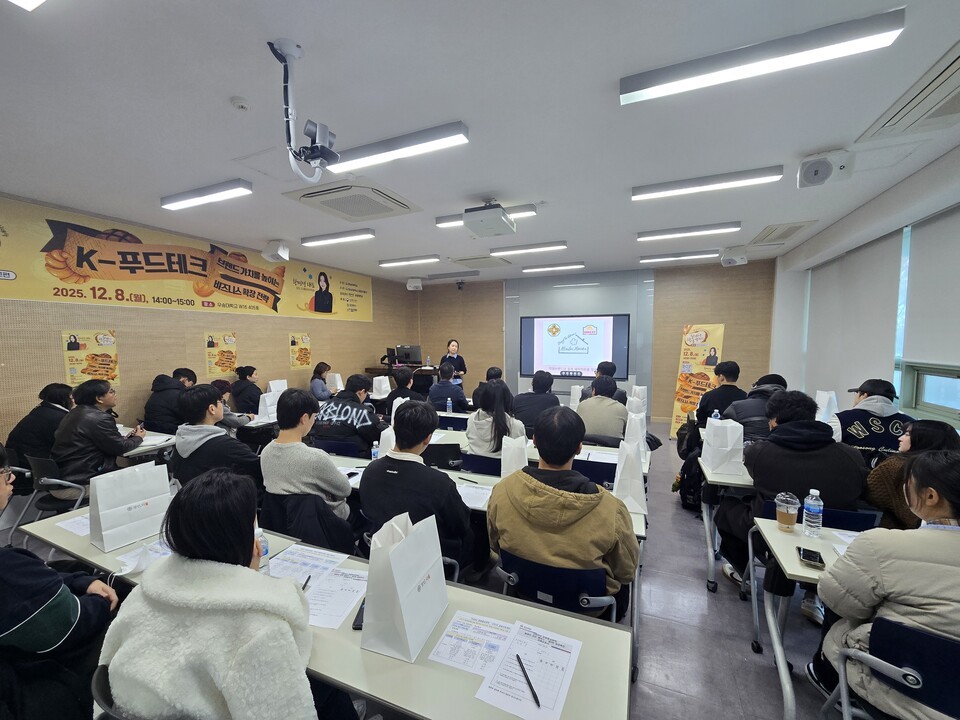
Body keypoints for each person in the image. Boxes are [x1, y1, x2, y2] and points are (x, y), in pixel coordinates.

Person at [98, 469, 358, 720]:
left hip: (127, 709)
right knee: (329, 689)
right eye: (253, 529)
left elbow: (108, 661)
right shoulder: (258, 625)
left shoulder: (143, 593)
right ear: (242, 540)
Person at [807, 450, 960, 720]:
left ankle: (825, 675)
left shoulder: (881, 545)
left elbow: (833, 598)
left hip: (897, 682)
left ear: (930, 496)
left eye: (908, 483)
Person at [713, 390, 866, 619]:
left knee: (726, 509)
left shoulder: (761, 452)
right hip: (832, 545)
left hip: (771, 534)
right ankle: (813, 595)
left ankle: (741, 570)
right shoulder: (851, 456)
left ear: (773, 421)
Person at [487, 406, 640, 620]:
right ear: (579, 447)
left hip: (523, 590)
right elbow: (626, 571)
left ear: (534, 441)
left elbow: (495, 545)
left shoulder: (502, 490)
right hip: (590, 608)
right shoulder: (611, 509)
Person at [0, 445, 118, 719]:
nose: (12, 479)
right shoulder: (9, 573)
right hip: (33, 687)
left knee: (72, 568)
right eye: (5, 474)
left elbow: (33, 577)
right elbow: (69, 622)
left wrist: (78, 581)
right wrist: (100, 601)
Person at [359, 401, 473, 567]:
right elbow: (460, 524)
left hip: (381, 555)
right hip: (429, 561)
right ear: (428, 438)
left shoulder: (370, 470)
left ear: (393, 428)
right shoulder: (439, 483)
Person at [260, 389, 352, 521]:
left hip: (281, 524)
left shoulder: (265, 452)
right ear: (304, 418)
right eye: (314, 417)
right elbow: (345, 490)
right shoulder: (315, 458)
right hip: (321, 523)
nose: (314, 421)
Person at [51, 380, 144, 497]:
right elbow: (120, 448)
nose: (115, 394)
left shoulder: (74, 413)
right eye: (111, 392)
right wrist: (139, 438)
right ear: (99, 399)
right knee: (143, 479)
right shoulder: (98, 418)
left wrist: (125, 438)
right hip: (82, 483)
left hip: (64, 479)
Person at [864, 419, 960, 530]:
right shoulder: (953, 468)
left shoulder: (896, 466)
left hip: (897, 532)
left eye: (907, 434)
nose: (900, 438)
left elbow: (869, 495)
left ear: (924, 439)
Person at [169, 384, 262, 487]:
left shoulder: (181, 440)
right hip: (225, 498)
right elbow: (260, 469)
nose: (223, 405)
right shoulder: (226, 445)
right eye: (220, 402)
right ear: (212, 409)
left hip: (192, 499)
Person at [829, 379, 914, 466]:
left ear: (864, 395)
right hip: (898, 478)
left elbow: (826, 451)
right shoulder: (913, 424)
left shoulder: (840, 419)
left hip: (851, 476)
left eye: (856, 393)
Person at [311, 374, 388, 456]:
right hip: (356, 457)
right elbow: (377, 435)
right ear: (361, 392)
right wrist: (383, 424)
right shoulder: (362, 412)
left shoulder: (324, 406)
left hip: (324, 454)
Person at [6, 383, 74, 460]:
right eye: (71, 397)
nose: (73, 400)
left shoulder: (41, 409)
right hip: (35, 462)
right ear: (63, 399)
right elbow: (66, 445)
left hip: (19, 458)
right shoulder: (58, 417)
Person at [722, 373, 788, 443]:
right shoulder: (790, 409)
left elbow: (722, 435)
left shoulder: (736, 407)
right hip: (782, 452)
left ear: (756, 387)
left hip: (745, 452)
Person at [466, 379, 525, 457]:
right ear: (507, 400)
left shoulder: (472, 419)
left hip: (473, 468)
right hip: (502, 468)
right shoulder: (515, 425)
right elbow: (522, 448)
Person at [143, 367, 196, 434]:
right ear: (184, 380)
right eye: (191, 385)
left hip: (152, 429)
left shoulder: (160, 390)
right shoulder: (178, 393)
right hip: (169, 431)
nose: (190, 388)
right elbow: (188, 415)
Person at [695, 360, 747, 427]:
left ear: (721, 377)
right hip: (737, 435)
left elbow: (701, 418)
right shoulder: (745, 396)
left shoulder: (709, 396)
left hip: (711, 434)